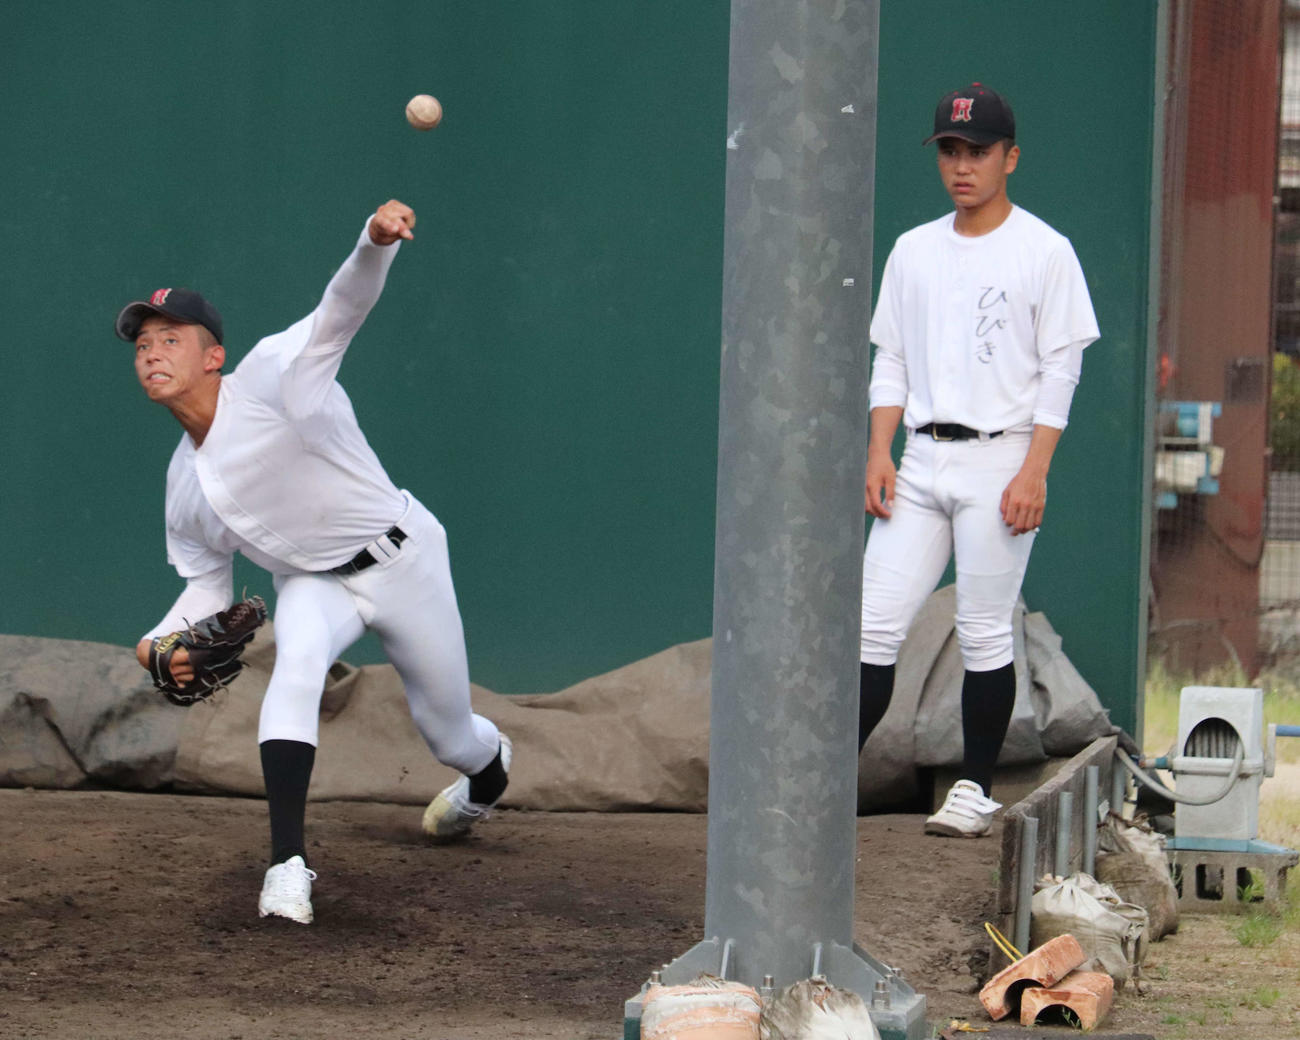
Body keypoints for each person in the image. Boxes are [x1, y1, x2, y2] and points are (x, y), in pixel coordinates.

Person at [117, 199, 512, 923]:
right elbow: (204, 591)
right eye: (142, 342)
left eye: (170, 338)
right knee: (295, 665)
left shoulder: (274, 375)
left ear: (214, 356)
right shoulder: (183, 488)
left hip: (402, 558)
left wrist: (373, 242)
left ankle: (488, 774)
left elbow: (341, 308)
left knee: (447, 732)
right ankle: (287, 867)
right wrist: (153, 648)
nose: (150, 351)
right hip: (312, 584)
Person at [858, 84, 1098, 837]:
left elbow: (1062, 369)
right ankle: (823, 786)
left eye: (979, 151)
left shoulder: (1045, 250)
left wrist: (1037, 469)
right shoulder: (914, 249)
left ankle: (973, 788)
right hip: (922, 457)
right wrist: (879, 451)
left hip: (1001, 460)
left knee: (986, 629)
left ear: (1010, 157)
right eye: (951, 151)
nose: (963, 166)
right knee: (871, 626)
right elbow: (890, 359)